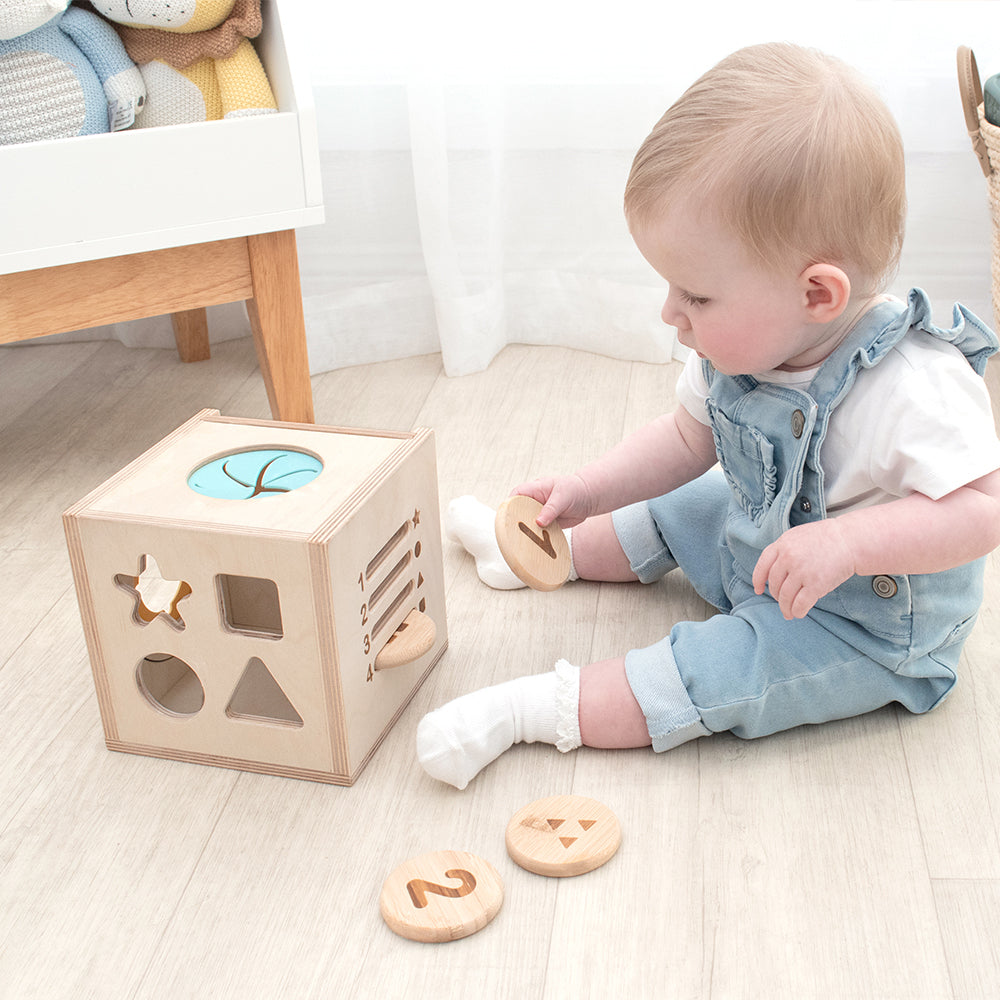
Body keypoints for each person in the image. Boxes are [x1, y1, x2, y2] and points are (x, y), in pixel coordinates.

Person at [416, 42, 1000, 790]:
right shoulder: (747, 339)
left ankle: (533, 709)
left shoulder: (915, 386)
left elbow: (980, 513)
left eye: (695, 296)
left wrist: (849, 544)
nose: (672, 314)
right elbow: (686, 440)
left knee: (727, 665)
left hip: (864, 622)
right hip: (769, 541)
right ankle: (542, 553)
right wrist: (590, 491)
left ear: (817, 294)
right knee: (685, 504)